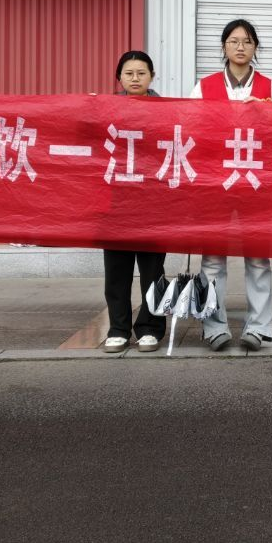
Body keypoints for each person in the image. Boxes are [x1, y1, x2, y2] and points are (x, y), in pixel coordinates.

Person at [192, 19, 272, 352]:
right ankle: (213, 326)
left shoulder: (270, 88)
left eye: (247, 41)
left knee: (258, 258)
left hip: (256, 184)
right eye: (234, 41)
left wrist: (267, 112)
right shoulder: (203, 87)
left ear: (255, 48)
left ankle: (258, 327)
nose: (240, 47)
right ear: (223, 46)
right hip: (214, 183)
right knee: (212, 259)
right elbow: (189, 127)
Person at [101, 51, 167, 353]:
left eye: (141, 73)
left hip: (154, 202)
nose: (135, 78)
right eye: (129, 73)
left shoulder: (167, 111)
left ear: (152, 76)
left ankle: (150, 328)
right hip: (116, 201)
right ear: (119, 78)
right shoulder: (106, 110)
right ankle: (118, 328)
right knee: (117, 270)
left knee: (152, 271)